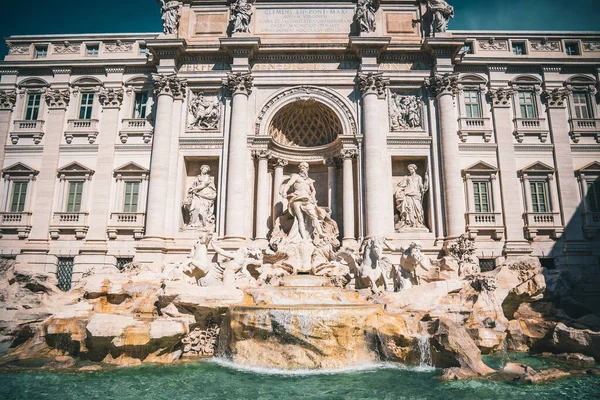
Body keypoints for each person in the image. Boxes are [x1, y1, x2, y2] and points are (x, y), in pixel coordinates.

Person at [279, 162, 324, 241]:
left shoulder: (309, 180)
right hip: (296, 198)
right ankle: (304, 238)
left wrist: (313, 197)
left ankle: (320, 232)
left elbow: (313, 190)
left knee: (314, 216)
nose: (303, 168)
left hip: (307, 199)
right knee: (300, 218)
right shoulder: (296, 177)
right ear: (299, 168)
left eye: (305, 167)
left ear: (307, 169)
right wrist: (284, 192)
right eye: (302, 167)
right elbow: (289, 184)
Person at [395, 164, 429, 229]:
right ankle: (409, 224)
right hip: (408, 195)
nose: (410, 170)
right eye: (409, 169)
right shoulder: (407, 178)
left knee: (418, 210)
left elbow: (421, 186)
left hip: (416, 195)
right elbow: (402, 186)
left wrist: (425, 184)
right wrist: (399, 192)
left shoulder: (419, 177)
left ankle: (418, 223)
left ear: (414, 169)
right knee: (409, 210)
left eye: (411, 169)